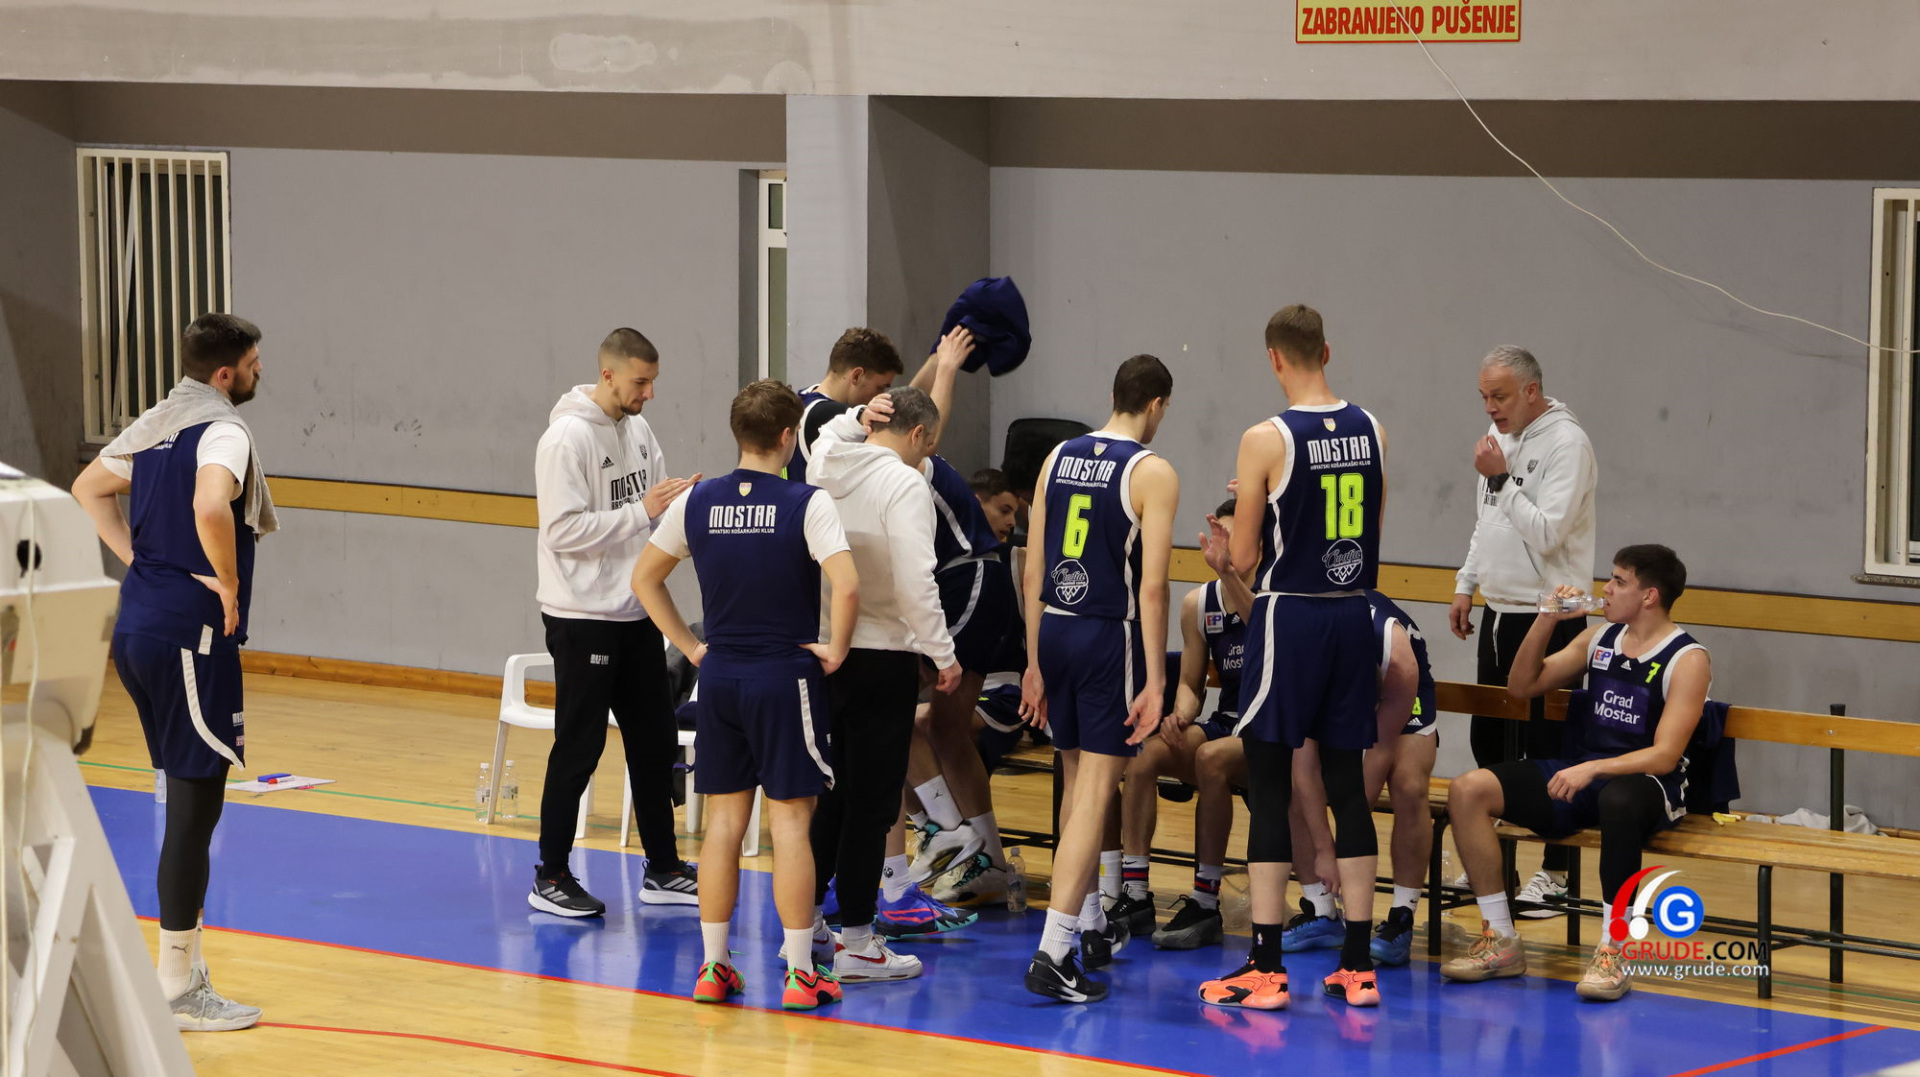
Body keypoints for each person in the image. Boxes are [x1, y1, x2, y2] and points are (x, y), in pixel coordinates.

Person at [630, 380, 860, 1012]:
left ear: (739, 434)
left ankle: (714, 967)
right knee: (790, 825)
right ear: (789, 437)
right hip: (785, 677)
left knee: (723, 826)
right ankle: (800, 975)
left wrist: (691, 646)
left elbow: (644, 579)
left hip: (721, 679)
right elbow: (846, 586)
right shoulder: (807, 501)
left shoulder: (696, 499)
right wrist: (837, 650)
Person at [70, 312, 272, 1031]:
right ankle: (178, 986)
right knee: (194, 811)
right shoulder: (222, 430)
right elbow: (211, 502)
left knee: (184, 800)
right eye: (253, 363)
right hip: (189, 634)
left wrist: (140, 562)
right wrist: (228, 582)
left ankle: (183, 968)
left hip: (138, 627)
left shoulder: (154, 424)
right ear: (225, 374)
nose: (259, 371)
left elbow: (88, 487)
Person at [1201, 304, 1386, 1012]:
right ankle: (1358, 966)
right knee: (1347, 784)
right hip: (1353, 611)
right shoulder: (1372, 428)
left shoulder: (1265, 437)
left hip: (1292, 615)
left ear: (1274, 358)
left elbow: (1247, 556)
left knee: (1271, 782)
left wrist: (1232, 542)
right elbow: (1370, 526)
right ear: (1326, 351)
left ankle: (1266, 968)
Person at [1442, 545, 1707, 1002]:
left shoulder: (1688, 658)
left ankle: (1614, 950)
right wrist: (1546, 619)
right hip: (1585, 771)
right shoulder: (1599, 638)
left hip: (1648, 782)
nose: (1607, 589)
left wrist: (1593, 769)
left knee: (1617, 800)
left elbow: (1665, 756)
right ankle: (1501, 939)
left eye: (1619, 581)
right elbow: (1521, 686)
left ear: (1649, 596)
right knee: (1468, 790)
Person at [1019, 355, 1179, 1003]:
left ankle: (1087, 923)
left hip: (1054, 629)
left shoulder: (1057, 457)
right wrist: (1156, 678)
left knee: (1074, 778)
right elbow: (1154, 586)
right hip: (1107, 633)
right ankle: (1054, 949)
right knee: (1094, 791)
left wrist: (1033, 660)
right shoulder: (1151, 470)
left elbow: (1032, 568)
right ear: (1156, 405)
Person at [529, 328, 701, 917]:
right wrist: (641, 511)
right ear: (608, 375)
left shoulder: (639, 431)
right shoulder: (566, 438)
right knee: (579, 746)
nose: (648, 393)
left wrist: (685, 506)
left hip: (634, 612)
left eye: (652, 382)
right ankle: (550, 875)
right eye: (640, 382)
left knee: (654, 741)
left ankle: (663, 868)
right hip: (583, 617)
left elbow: (652, 513)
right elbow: (561, 531)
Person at [805, 386, 962, 983]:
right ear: (918, 434)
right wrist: (943, 653)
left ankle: (808, 926)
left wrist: (853, 415)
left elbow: (824, 437)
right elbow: (916, 580)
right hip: (882, 657)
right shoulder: (904, 482)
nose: (929, 457)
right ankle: (857, 942)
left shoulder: (826, 465)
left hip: (827, 651)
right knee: (871, 807)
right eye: (931, 445)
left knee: (831, 798)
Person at [1449, 345, 1598, 917]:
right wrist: (1467, 583)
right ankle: (1493, 866)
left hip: (1553, 616)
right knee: (1489, 742)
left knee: (1550, 751)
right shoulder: (1500, 440)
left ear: (1532, 390)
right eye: (1483, 397)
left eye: (1500, 396)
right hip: (1499, 612)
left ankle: (1557, 875)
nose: (1490, 408)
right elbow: (1487, 522)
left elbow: (1549, 533)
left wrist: (1502, 479)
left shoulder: (1568, 444)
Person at [1282, 589, 1438, 967]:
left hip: (1406, 692)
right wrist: (1324, 850)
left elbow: (1376, 759)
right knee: (1293, 786)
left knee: (1409, 785)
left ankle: (1402, 915)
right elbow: (1304, 769)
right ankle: (1321, 909)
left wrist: (1343, 848)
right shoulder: (1303, 653)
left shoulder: (1397, 659)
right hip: (1339, 668)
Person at [1117, 498, 1245, 942]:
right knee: (1143, 755)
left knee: (1211, 758)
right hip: (1227, 723)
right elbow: (1192, 682)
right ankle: (1135, 895)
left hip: (1272, 731)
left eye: (1234, 536)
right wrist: (1180, 714)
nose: (1223, 544)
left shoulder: (1274, 594)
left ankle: (1206, 902)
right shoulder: (1199, 603)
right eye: (1218, 535)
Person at [789, 327, 908, 484]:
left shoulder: (799, 400)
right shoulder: (834, 416)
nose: (881, 395)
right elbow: (909, 450)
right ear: (857, 376)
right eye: (881, 387)